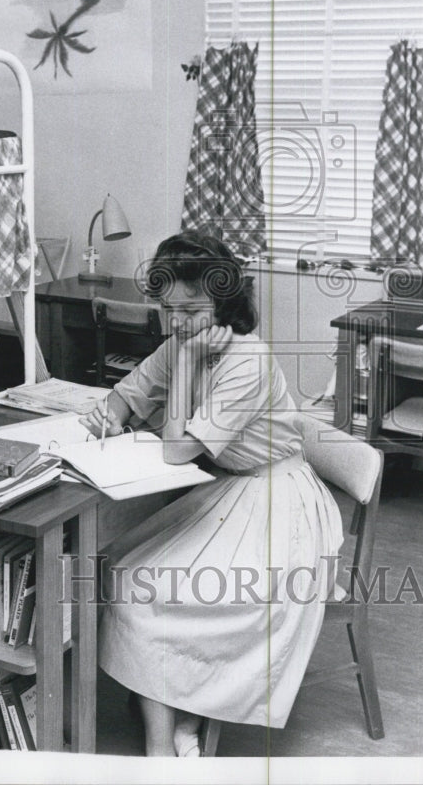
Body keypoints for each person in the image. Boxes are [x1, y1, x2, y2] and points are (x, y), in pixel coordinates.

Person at [80, 230, 343, 757]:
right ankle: (171, 714)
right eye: (166, 308)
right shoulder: (180, 342)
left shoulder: (246, 360)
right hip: (227, 493)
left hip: (276, 501)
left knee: (163, 588)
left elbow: (177, 450)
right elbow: (126, 395)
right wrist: (108, 414)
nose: (177, 323)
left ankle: (169, 738)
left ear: (223, 302)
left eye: (192, 309)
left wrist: (180, 368)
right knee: (123, 568)